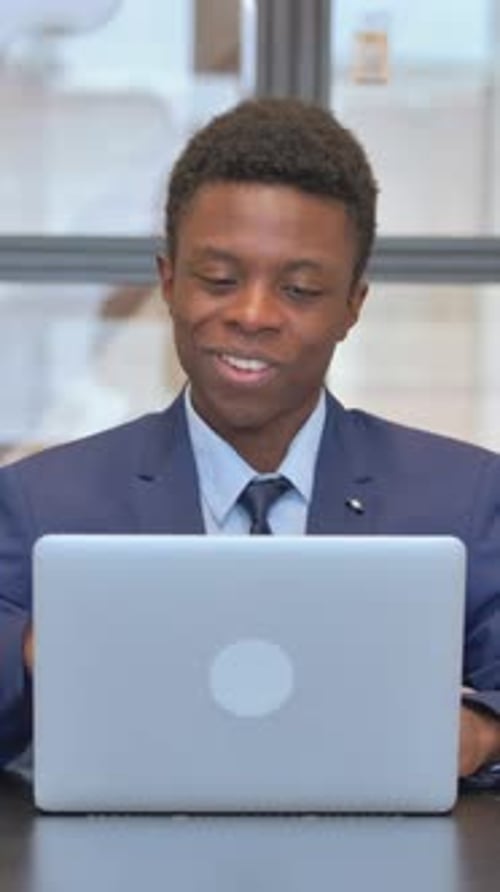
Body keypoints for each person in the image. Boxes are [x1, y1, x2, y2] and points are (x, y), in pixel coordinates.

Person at [0, 98, 499, 779]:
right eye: (219, 280)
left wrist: (478, 735)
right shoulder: (42, 502)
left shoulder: (464, 497)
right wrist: (30, 652)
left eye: (299, 289)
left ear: (354, 304)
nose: (253, 315)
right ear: (169, 280)